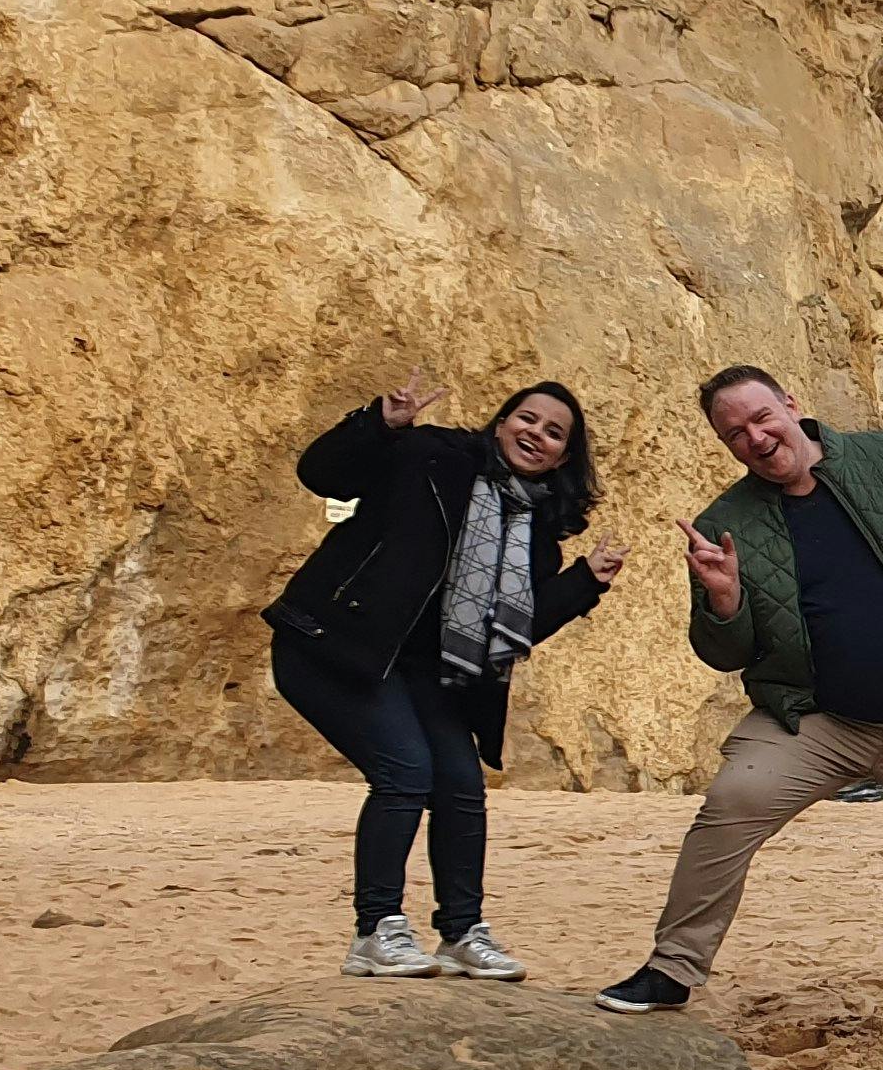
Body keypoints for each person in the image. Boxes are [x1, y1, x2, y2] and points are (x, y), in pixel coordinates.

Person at [597, 366, 883, 1043]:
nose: (755, 438)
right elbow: (726, 652)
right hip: (819, 720)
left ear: (790, 405)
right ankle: (672, 968)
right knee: (731, 805)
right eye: (735, 433)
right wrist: (724, 600)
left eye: (761, 417)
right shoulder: (725, 523)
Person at [267, 370, 623, 980]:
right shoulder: (430, 457)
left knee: (460, 784)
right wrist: (380, 423)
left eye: (555, 432)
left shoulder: (537, 536)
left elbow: (517, 628)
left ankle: (460, 934)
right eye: (527, 419)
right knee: (406, 771)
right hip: (334, 646)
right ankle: (375, 931)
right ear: (501, 422)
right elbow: (322, 474)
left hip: (427, 673)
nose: (536, 434)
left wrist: (584, 582)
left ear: (566, 454)